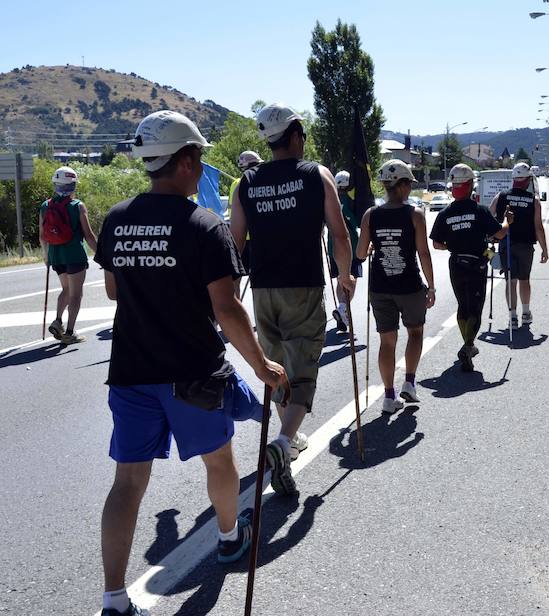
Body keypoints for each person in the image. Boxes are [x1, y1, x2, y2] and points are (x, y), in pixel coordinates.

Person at [94, 110, 290, 616]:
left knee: (127, 483)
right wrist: (264, 365)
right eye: (199, 158)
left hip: (133, 372)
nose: (202, 167)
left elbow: (115, 289)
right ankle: (229, 538)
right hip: (193, 373)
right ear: (183, 162)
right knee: (219, 461)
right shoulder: (204, 225)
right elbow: (227, 309)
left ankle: (114, 598)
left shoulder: (116, 219)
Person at [229, 102, 355, 496]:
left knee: (275, 368)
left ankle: (289, 436)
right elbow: (339, 233)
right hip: (303, 287)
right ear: (296, 135)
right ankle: (284, 442)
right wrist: (345, 275)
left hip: (263, 290)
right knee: (302, 374)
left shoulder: (246, 183)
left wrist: (231, 296)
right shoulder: (316, 175)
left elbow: (234, 243)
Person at [356, 160, 435, 411]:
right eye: (409, 183)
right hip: (409, 286)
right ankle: (409, 383)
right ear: (400, 186)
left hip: (380, 288)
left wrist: (370, 247)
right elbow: (423, 253)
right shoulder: (415, 215)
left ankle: (389, 397)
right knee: (415, 332)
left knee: (387, 342)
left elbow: (359, 253)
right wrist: (431, 287)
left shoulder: (371, 215)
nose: (410, 188)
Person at [432, 163, 512, 371]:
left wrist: (457, 245)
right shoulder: (480, 211)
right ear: (470, 186)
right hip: (478, 262)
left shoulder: (445, 214)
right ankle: (467, 346)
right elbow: (500, 234)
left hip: (456, 263)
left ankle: (468, 344)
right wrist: (507, 221)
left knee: (462, 305)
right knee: (475, 307)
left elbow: (437, 244)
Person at [39, 166, 98, 344]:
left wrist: (46, 255)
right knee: (76, 295)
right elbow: (88, 235)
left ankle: (58, 321)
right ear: (73, 185)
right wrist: (101, 254)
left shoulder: (45, 205)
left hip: (56, 255)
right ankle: (70, 332)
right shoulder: (78, 206)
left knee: (65, 290)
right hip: (75, 255)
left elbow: (42, 236)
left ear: (55, 184)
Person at [489, 162, 548, 328]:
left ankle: (512, 316)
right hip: (526, 245)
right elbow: (538, 227)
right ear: (528, 180)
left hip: (506, 244)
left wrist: (493, 235)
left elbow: (488, 216)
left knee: (510, 280)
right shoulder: (533, 200)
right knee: (524, 279)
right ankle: (526, 312)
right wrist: (544, 249)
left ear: (513, 179)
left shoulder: (501, 196)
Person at [329, 169, 363, 332]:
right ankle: (343, 309)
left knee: (339, 280)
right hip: (351, 249)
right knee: (351, 279)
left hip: (332, 249)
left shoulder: (330, 200)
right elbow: (355, 222)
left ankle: (342, 312)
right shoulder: (348, 202)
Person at [229, 150, 263, 295]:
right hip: (257, 238)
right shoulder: (263, 181)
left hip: (240, 238)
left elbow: (233, 214)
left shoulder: (237, 184)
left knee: (236, 279)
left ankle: (237, 306)